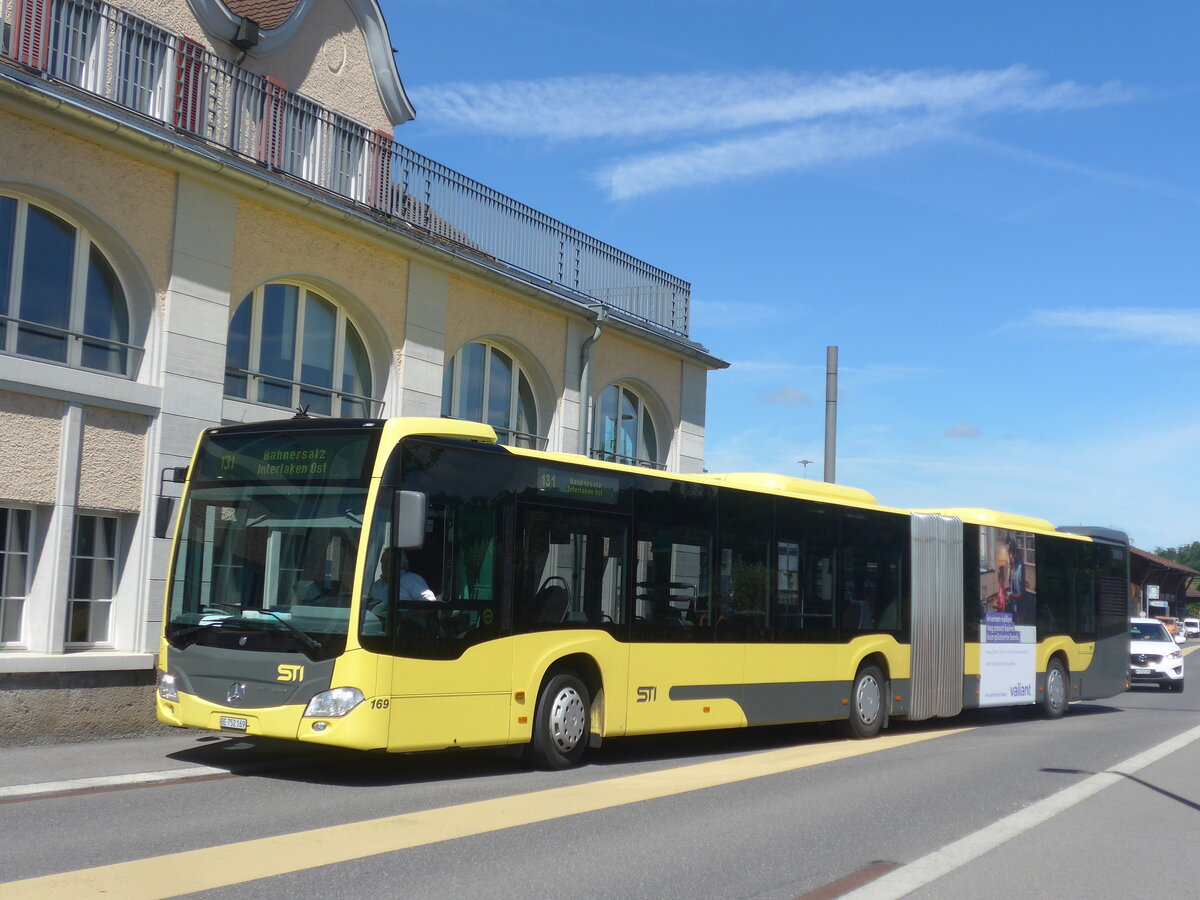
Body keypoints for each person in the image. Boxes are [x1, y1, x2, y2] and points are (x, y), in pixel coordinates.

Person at [369, 548, 436, 607]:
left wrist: (406, 616)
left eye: (388, 561)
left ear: (400, 563)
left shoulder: (411, 579)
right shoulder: (376, 585)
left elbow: (431, 603)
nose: (384, 565)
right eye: (383, 561)